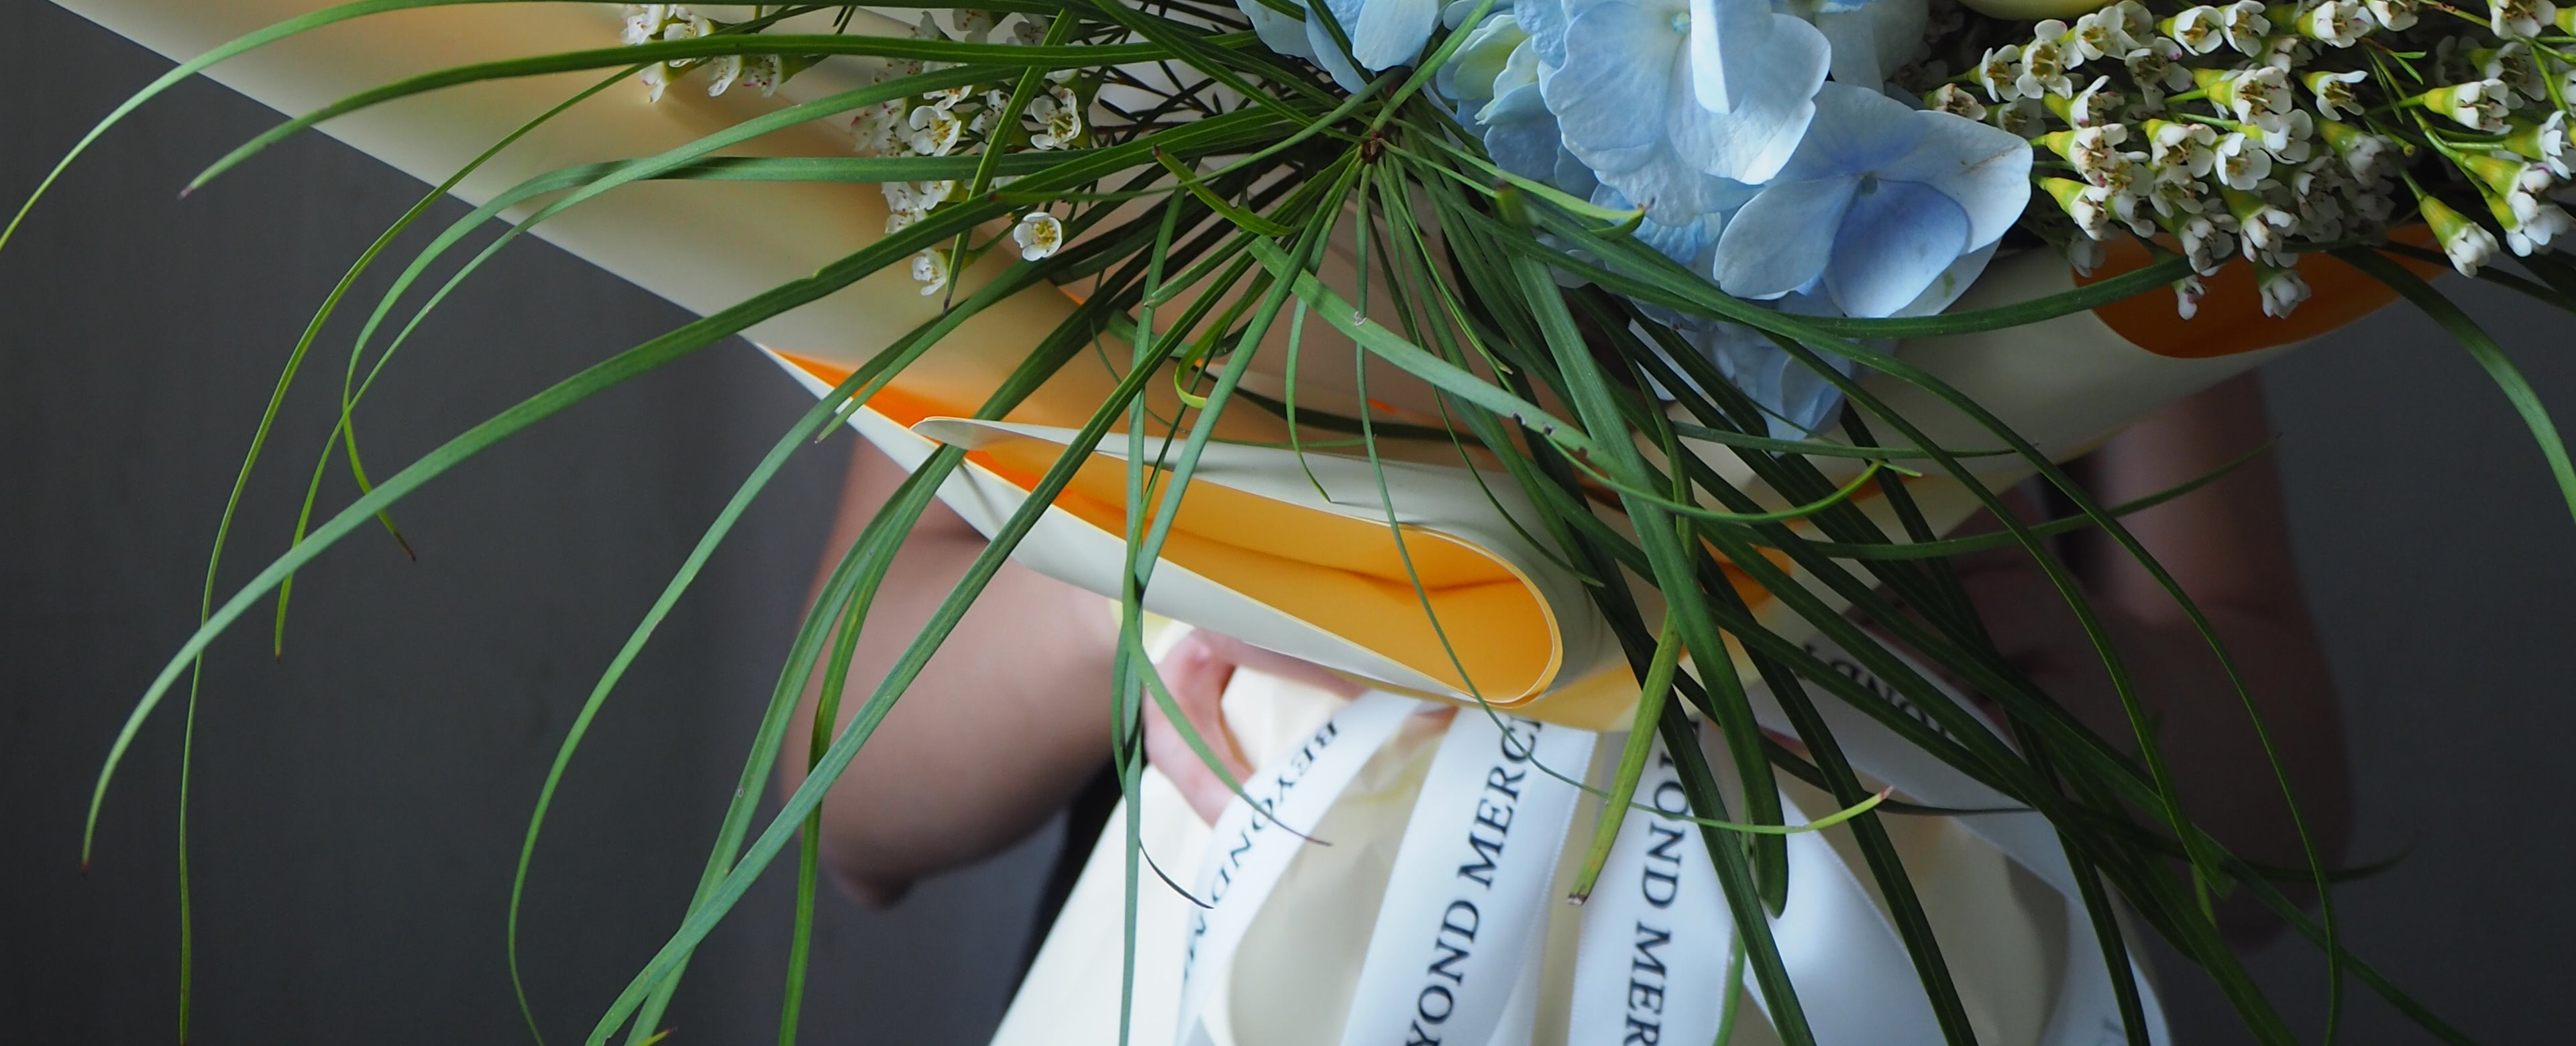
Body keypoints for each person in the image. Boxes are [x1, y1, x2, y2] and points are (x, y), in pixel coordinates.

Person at [792, 371, 2350, 982]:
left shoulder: (2058, 49)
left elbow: (2282, 829)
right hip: (1251, 958)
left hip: (1899, 953)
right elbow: (842, 788)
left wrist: (2024, 673)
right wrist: (1142, 608)